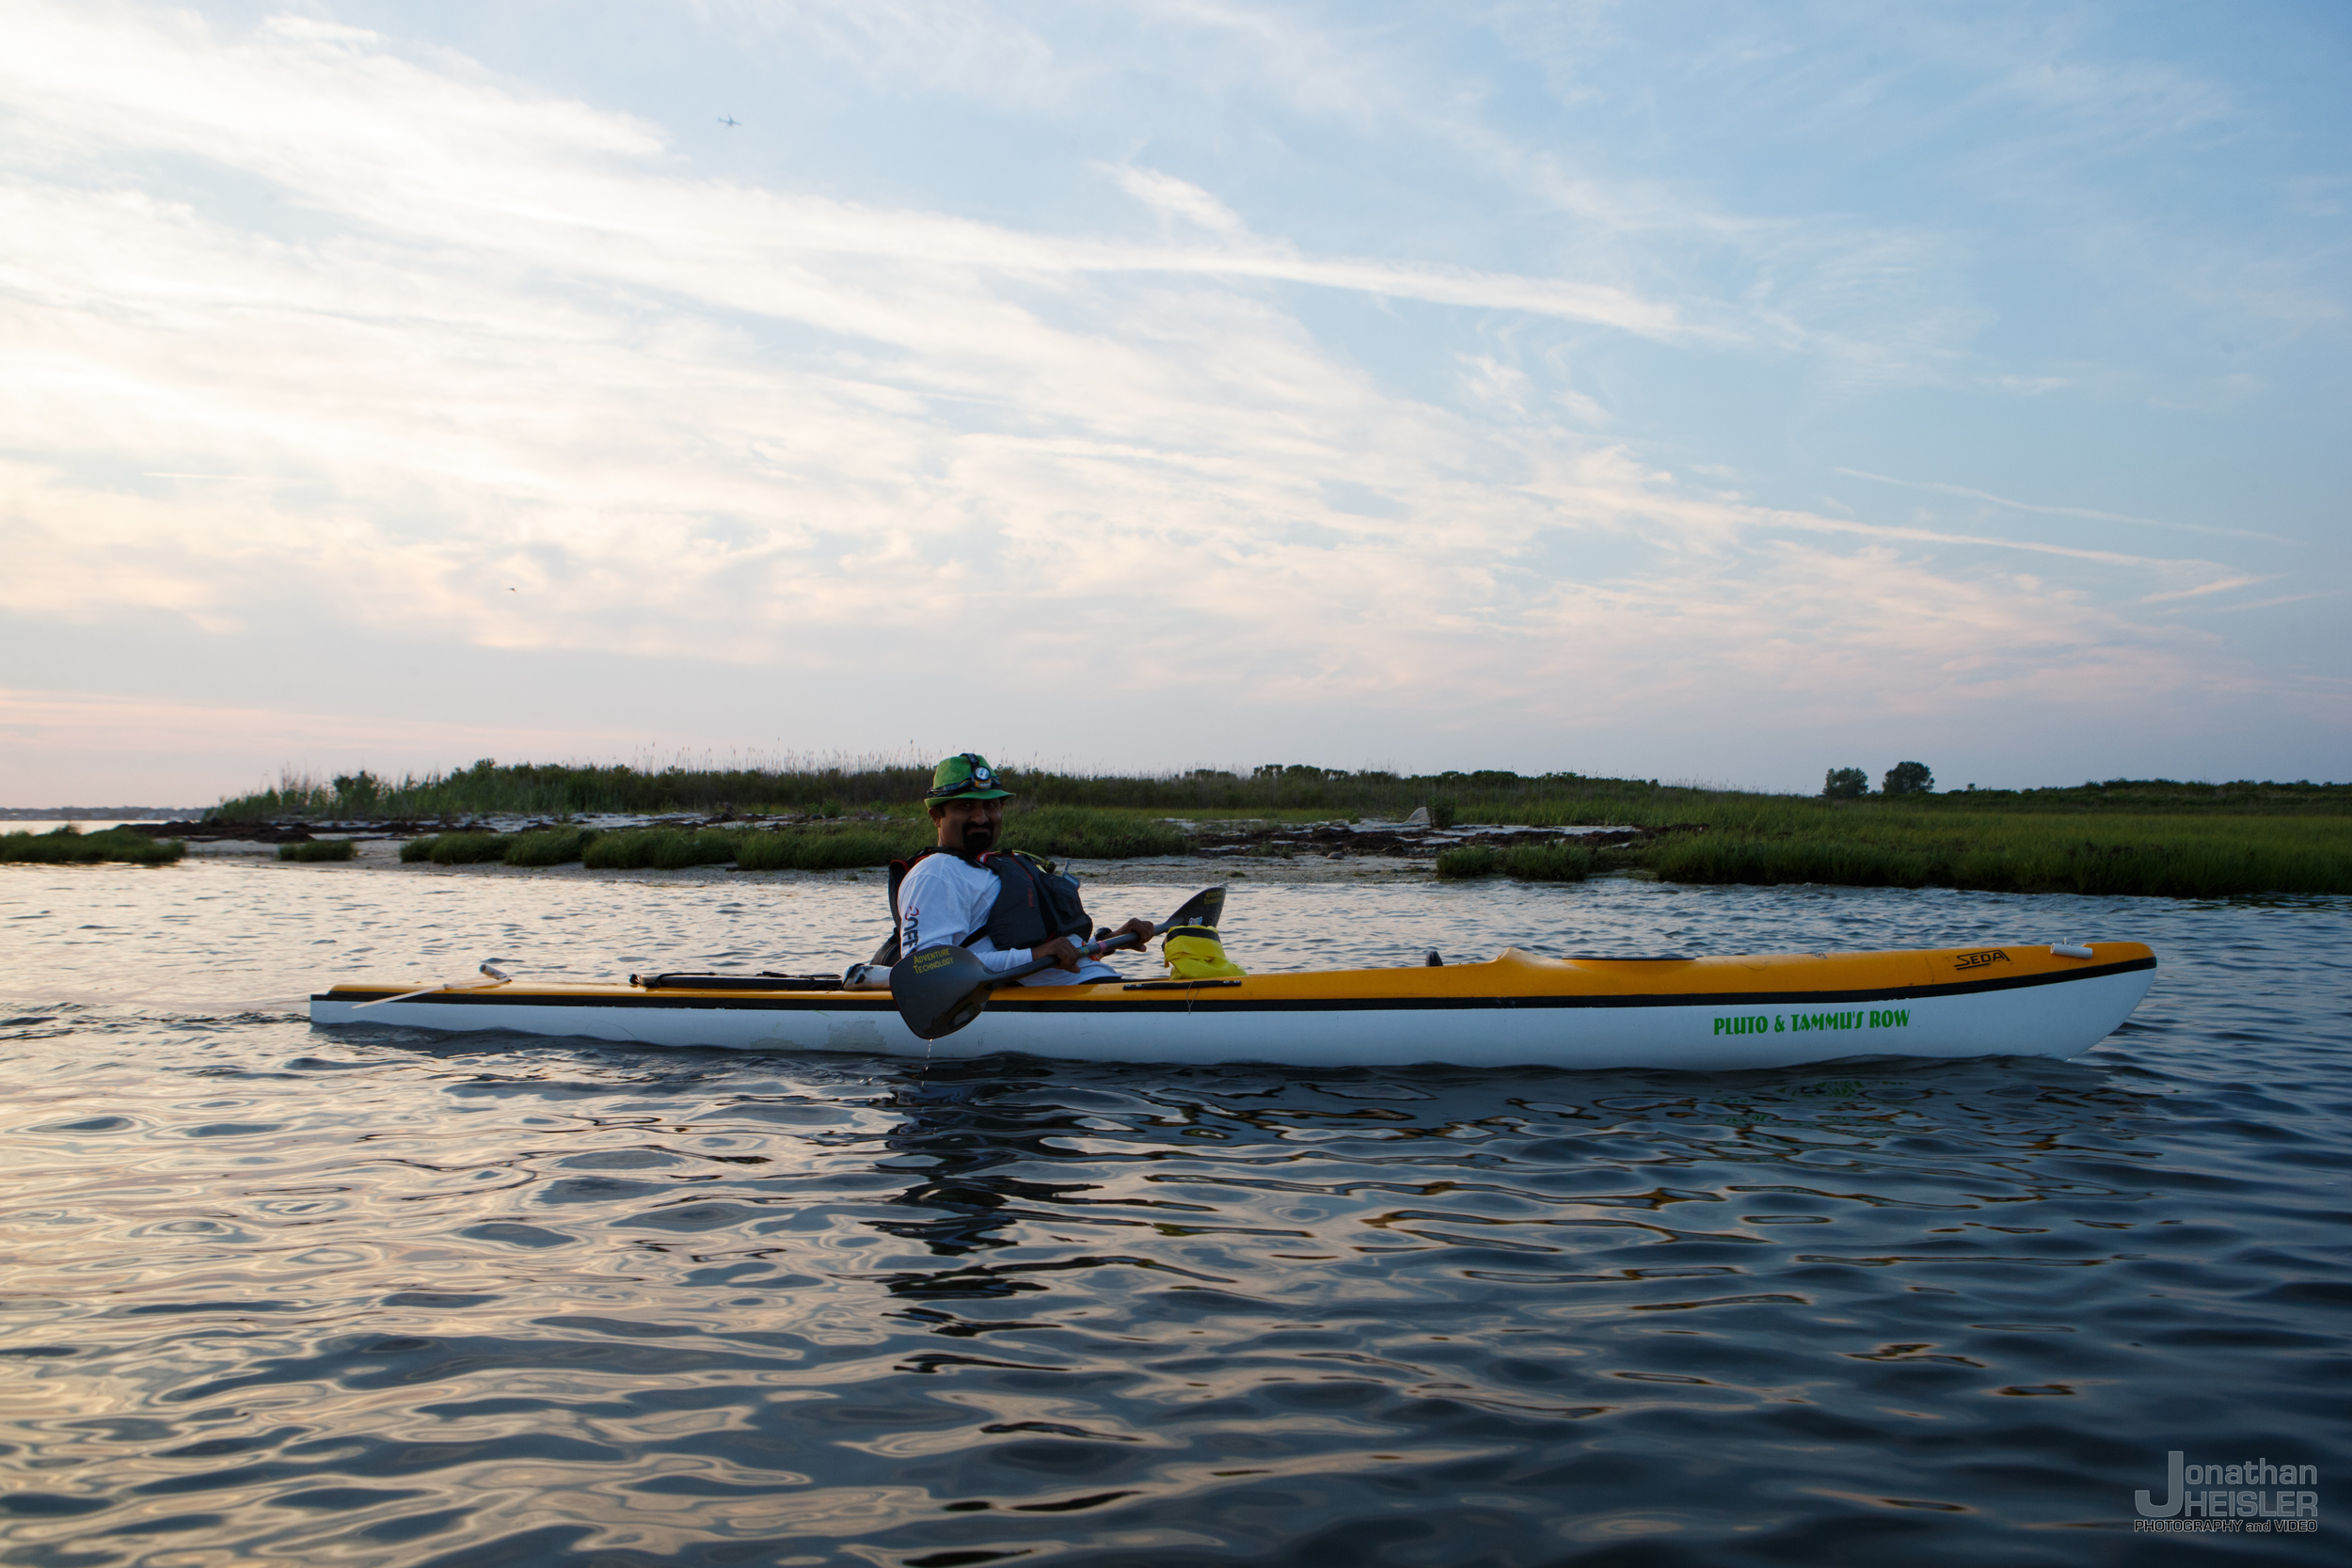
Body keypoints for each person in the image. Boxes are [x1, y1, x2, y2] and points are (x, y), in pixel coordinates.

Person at [886, 753, 1156, 986]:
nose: (980, 817)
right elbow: (926, 972)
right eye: (965, 806)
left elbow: (1045, 949)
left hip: (1091, 983)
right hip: (1038, 1002)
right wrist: (1034, 955)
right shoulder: (935, 873)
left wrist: (1111, 940)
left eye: (990, 805)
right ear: (936, 816)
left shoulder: (998, 867)